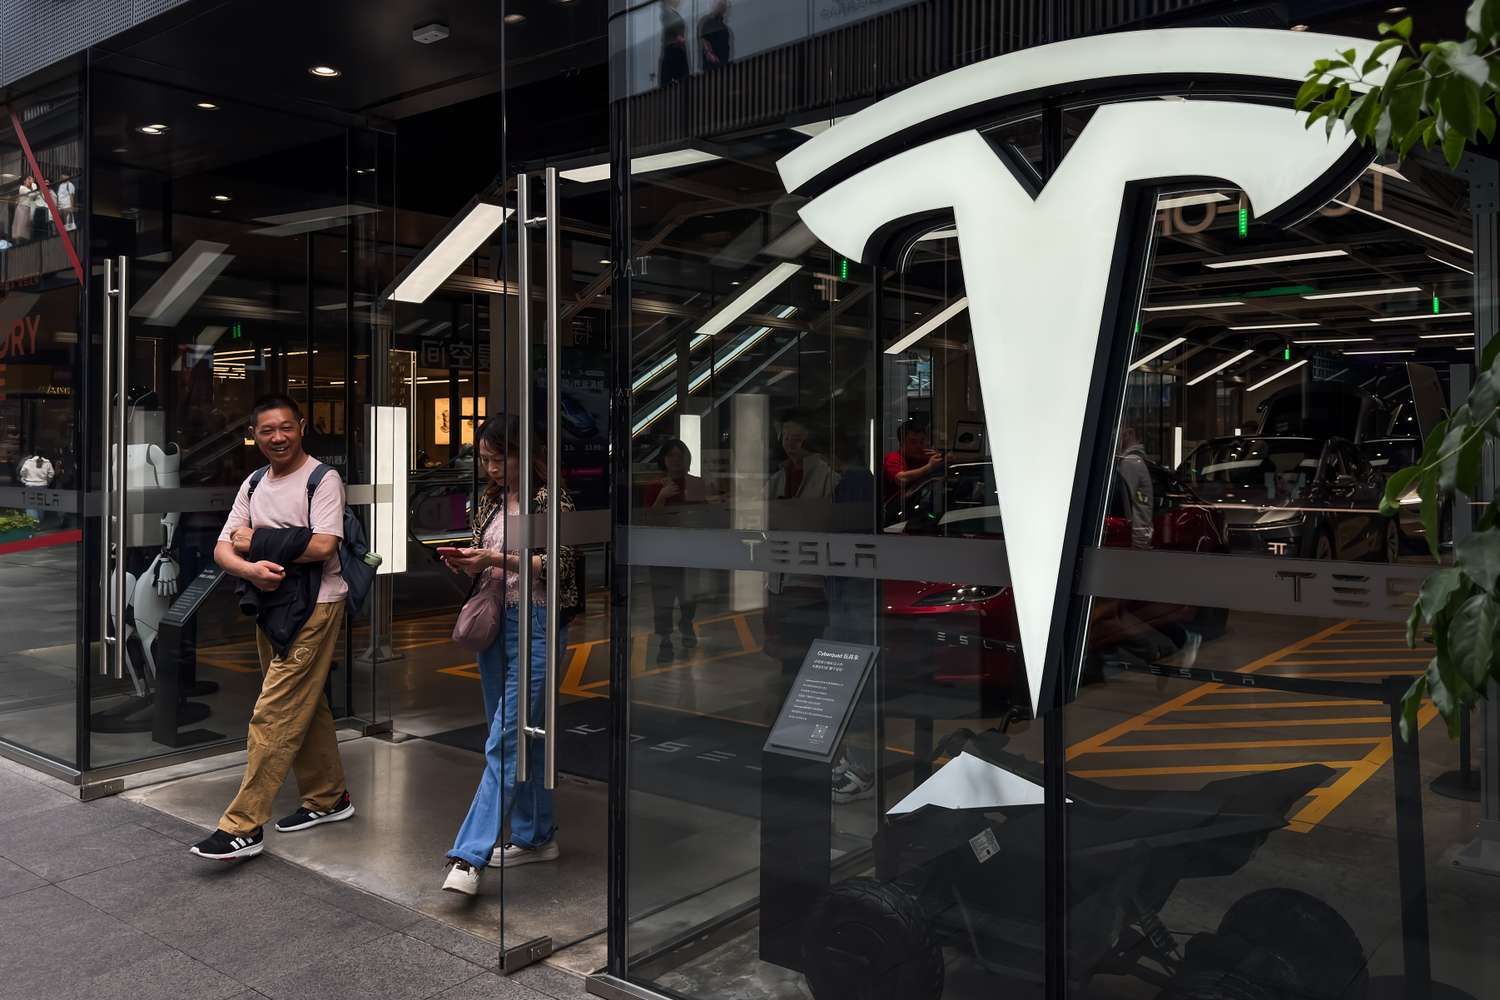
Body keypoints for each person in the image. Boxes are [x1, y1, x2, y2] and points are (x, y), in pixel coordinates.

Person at [189, 395, 353, 861]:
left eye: (285, 428)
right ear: (255, 435)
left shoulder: (323, 479)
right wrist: (250, 571)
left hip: (317, 605)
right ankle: (329, 797)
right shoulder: (255, 481)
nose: (277, 438)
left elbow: (323, 546)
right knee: (305, 702)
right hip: (270, 601)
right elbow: (224, 548)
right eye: (266, 431)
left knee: (274, 711)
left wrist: (257, 542)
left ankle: (244, 825)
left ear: (301, 427)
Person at [440, 415, 577, 896]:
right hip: (498, 624)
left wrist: (493, 559)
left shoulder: (548, 499)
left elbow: (558, 565)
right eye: (486, 459)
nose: (493, 468)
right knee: (522, 738)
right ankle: (535, 836)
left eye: (501, 458)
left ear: (527, 455)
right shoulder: (490, 502)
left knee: (506, 738)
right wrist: (467, 559)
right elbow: (486, 558)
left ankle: (468, 854)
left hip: (536, 623)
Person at [645, 438, 706, 664]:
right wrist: (662, 496)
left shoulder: (696, 484)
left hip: (690, 550)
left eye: (679, 456)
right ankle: (665, 640)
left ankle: (686, 622)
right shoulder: (656, 486)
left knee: (689, 594)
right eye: (670, 455)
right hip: (662, 552)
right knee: (662, 597)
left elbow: (704, 517)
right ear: (664, 459)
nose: (675, 460)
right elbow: (650, 519)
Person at [883, 418, 944, 514]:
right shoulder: (894, 458)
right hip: (897, 513)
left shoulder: (926, 457)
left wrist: (941, 459)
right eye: (913, 442)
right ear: (902, 443)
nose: (919, 446)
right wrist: (929, 467)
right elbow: (901, 479)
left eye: (922, 441)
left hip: (923, 509)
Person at [1117, 425, 1153, 550]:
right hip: (1141, 534)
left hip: (1135, 538)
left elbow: (1126, 505)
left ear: (1129, 433)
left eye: (1118, 429)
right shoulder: (1138, 460)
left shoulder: (1130, 462)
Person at [18, 452, 54, 525]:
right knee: (40, 506)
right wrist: (47, 482)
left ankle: (32, 524)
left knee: (30, 506)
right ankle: (39, 523)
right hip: (42, 486)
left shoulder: (28, 462)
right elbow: (51, 474)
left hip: (30, 486)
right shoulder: (47, 462)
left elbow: (22, 472)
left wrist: (25, 479)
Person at [659, 0, 689, 86]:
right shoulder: (667, 12)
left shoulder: (673, 13)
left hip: (678, 49)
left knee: (683, 83)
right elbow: (671, 24)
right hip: (674, 50)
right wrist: (678, 36)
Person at [699, 0, 732, 71]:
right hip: (712, 69)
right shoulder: (707, 21)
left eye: (724, 4)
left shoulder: (724, 27)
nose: (723, 6)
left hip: (722, 67)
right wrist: (710, 55)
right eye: (720, 3)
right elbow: (704, 41)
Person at [12, 176, 35, 243]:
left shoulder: (27, 189)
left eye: (31, 179)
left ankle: (23, 243)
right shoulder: (22, 188)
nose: (30, 181)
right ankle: (19, 244)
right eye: (29, 179)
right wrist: (33, 184)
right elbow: (33, 195)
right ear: (24, 181)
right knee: (21, 228)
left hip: (26, 209)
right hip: (22, 209)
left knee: (25, 229)